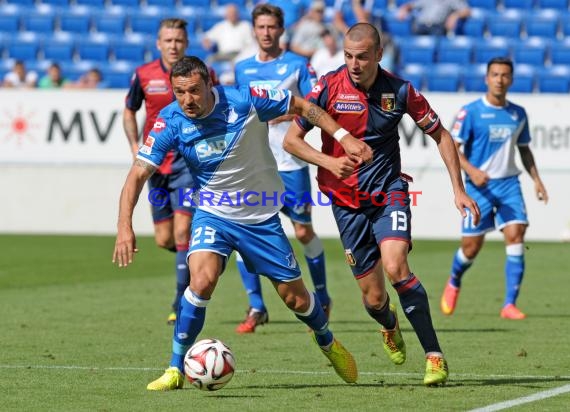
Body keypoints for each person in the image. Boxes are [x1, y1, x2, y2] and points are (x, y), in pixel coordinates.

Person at [113, 55, 372, 390]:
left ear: (209, 83)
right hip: (213, 213)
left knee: (295, 299)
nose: (187, 100)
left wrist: (342, 137)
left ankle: (327, 341)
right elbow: (136, 175)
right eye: (179, 92)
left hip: (260, 217)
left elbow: (302, 107)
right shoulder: (170, 120)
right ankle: (175, 368)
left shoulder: (244, 100)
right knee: (202, 282)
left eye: (194, 90)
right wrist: (124, 226)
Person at [283, 23, 480, 386]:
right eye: (347, 56)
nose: (353, 64)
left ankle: (434, 356)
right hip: (345, 202)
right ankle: (389, 324)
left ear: (377, 55)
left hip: (388, 192)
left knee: (396, 267)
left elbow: (441, 135)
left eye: (361, 57)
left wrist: (459, 189)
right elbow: (292, 141)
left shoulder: (401, 91)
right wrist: (329, 163)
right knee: (374, 299)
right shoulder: (327, 87)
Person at [233, 4, 331, 334]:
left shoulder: (298, 65)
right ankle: (256, 306)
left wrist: (287, 115)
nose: (266, 32)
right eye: (260, 27)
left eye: (271, 27)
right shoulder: (242, 69)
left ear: (281, 30)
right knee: (243, 234)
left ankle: (322, 296)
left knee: (303, 231)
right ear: (253, 30)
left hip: (291, 162)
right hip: (254, 166)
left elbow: (316, 107)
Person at [440, 57, 548, 321]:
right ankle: (454, 279)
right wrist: (472, 172)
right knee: (471, 248)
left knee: (516, 234)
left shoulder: (518, 113)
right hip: (479, 188)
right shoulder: (471, 112)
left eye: (505, 75)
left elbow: (524, 149)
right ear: (487, 78)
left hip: (509, 184)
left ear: (511, 79)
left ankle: (509, 304)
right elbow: (453, 148)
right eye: (495, 75)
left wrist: (537, 180)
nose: (500, 80)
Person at [123, 18, 213, 325]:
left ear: (186, 44)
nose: (173, 45)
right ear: (158, 43)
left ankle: (180, 301)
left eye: (179, 40)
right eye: (168, 40)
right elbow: (129, 110)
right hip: (155, 165)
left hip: (187, 162)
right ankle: (198, 257)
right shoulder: (144, 75)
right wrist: (135, 146)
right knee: (164, 238)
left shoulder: (202, 74)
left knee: (181, 231)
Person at [397, 0, 471, 36]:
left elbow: (467, 11)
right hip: (421, 26)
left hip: (437, 27)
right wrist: (404, 9)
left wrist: (454, 15)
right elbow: (412, 5)